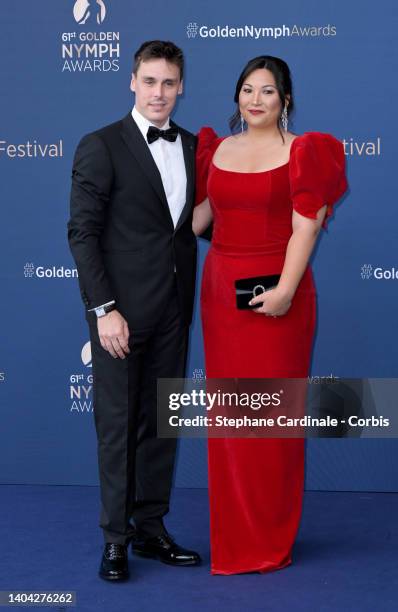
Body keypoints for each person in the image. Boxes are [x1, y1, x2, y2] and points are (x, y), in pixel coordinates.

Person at [193, 55, 347, 575]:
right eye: (247, 90)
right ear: (236, 96)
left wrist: (284, 289)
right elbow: (198, 222)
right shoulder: (217, 150)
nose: (255, 100)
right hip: (222, 295)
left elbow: (306, 226)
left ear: (285, 100)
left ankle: (270, 537)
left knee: (271, 418)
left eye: (267, 92)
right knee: (232, 420)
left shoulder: (305, 152)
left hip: (280, 294)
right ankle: (234, 536)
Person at [68, 40, 201, 581]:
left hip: (174, 309)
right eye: (150, 81)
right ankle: (115, 539)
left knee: (162, 424)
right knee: (119, 426)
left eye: (169, 83)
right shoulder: (101, 145)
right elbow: (83, 234)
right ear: (131, 81)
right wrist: (104, 310)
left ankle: (151, 529)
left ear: (181, 87)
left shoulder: (193, 146)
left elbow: (197, 225)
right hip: (119, 313)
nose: (159, 93)